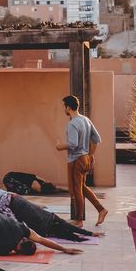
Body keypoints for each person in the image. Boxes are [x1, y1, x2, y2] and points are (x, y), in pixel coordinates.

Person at [0, 198, 84, 257]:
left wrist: (64, 249)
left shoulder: (23, 229)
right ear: (18, 250)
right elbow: (43, 240)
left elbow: (42, 240)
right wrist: (63, 249)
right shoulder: (3, 249)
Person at [0, 187, 100, 242]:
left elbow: (68, 228)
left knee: (6, 220)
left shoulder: (48, 223)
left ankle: (82, 236)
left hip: (15, 201)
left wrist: (88, 234)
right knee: (65, 231)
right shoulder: (48, 224)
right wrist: (88, 234)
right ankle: (82, 236)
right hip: (15, 201)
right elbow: (68, 228)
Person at [55, 95, 107, 228]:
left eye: (64, 107)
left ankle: (79, 220)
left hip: (76, 160)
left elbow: (73, 144)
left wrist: (59, 146)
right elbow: (96, 139)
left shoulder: (72, 124)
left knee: (75, 190)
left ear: (68, 107)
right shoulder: (86, 120)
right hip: (85, 159)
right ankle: (101, 209)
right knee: (82, 188)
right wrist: (90, 155)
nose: (64, 109)